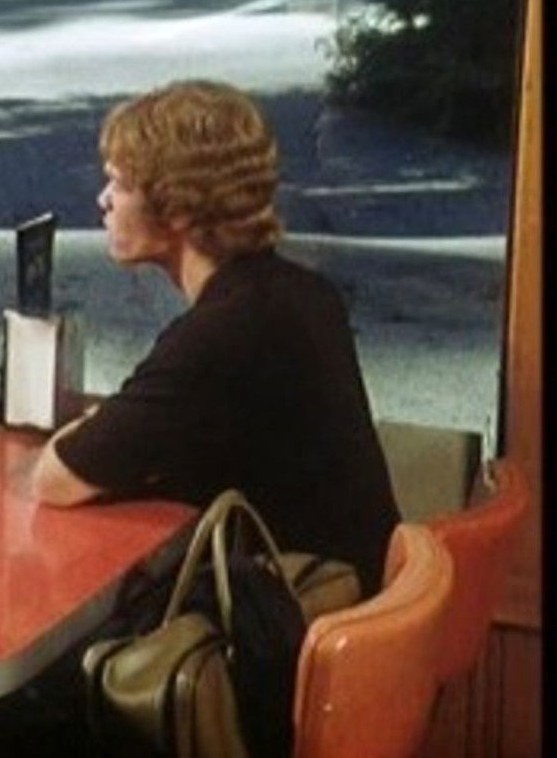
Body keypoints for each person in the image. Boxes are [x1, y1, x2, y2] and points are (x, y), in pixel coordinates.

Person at [29, 80, 400, 595]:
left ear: (180, 208)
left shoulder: (220, 335)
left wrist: (97, 428)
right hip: (356, 599)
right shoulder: (303, 294)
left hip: (288, 620)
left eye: (120, 184)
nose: (103, 200)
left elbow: (55, 478)